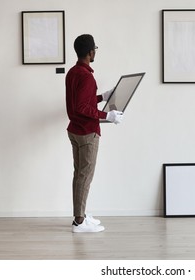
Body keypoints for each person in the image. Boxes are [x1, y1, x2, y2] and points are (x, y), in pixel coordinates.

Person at [66, 34, 123, 233]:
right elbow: (83, 107)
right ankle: (79, 222)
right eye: (95, 49)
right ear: (91, 52)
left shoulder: (73, 72)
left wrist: (102, 97)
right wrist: (108, 115)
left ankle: (79, 216)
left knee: (79, 174)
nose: (95, 52)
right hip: (87, 132)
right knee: (85, 175)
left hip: (74, 130)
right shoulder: (87, 76)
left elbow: (81, 101)